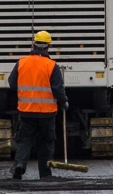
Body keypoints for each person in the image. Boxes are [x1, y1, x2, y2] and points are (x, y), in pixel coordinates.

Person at [8, 30, 69, 180]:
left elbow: (11, 82)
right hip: (47, 113)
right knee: (46, 143)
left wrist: (23, 93)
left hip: (26, 111)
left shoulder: (21, 62)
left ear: (33, 44)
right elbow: (57, 89)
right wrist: (64, 102)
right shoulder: (51, 65)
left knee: (25, 140)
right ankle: (45, 173)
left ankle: (20, 165)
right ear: (48, 47)